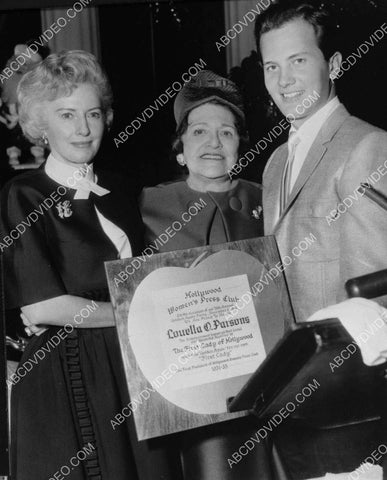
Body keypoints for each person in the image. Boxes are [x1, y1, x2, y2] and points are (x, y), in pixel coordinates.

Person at [254, 1, 387, 477]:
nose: (283, 80)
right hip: (287, 401)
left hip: (350, 409)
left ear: (333, 64)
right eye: (272, 66)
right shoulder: (273, 165)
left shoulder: (367, 145)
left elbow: (376, 298)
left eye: (298, 60)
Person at [1, 50, 144, 480]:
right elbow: (42, 308)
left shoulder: (123, 190)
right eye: (67, 115)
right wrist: (133, 314)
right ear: (41, 126)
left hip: (131, 368)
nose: (83, 129)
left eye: (93, 114)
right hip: (64, 373)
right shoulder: (21, 194)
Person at [140, 70, 271, 480]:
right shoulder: (146, 205)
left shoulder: (266, 196)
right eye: (199, 131)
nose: (213, 143)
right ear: (180, 150)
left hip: (264, 379)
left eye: (227, 133)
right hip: (183, 391)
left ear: (240, 146)